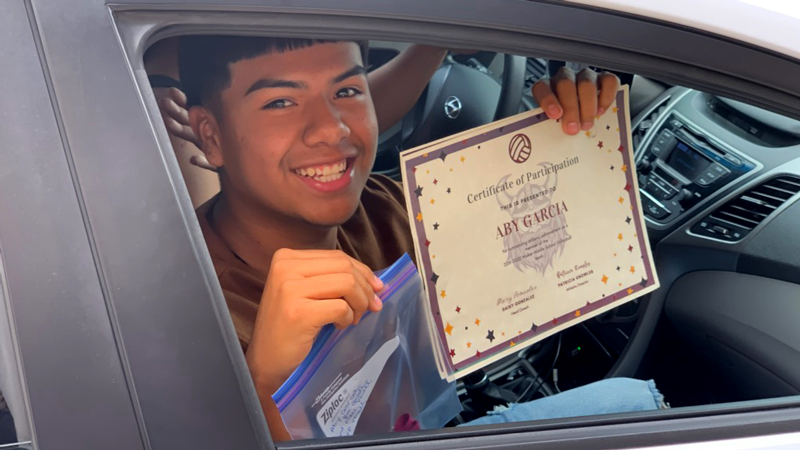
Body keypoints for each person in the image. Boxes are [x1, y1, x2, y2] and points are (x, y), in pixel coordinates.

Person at [176, 36, 665, 441]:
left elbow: (527, 249)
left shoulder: (385, 206)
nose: (332, 127)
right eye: (281, 102)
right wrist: (267, 389)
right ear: (211, 136)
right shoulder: (187, 320)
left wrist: (575, 141)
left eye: (348, 90)